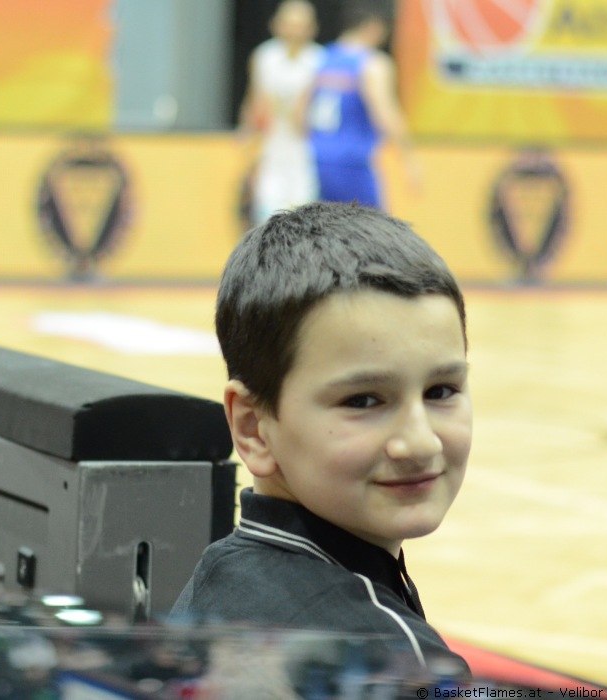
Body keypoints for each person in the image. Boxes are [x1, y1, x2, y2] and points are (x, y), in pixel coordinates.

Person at [170, 201, 473, 680]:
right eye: (363, 400)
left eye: (440, 391)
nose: (420, 444)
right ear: (252, 428)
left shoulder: (220, 576)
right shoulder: (391, 663)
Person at [308, 1, 420, 209]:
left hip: (316, 160)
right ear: (374, 26)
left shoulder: (319, 58)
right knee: (373, 227)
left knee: (325, 225)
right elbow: (385, 114)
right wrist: (408, 159)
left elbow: (299, 113)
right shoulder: (372, 64)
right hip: (353, 163)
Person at [238, 0, 324, 226]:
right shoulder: (264, 56)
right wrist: (246, 132)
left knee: (304, 210)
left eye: (300, 25)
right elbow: (254, 98)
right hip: (273, 145)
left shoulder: (320, 60)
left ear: (312, 28)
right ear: (276, 25)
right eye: (289, 24)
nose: (294, 31)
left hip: (307, 146)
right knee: (267, 207)